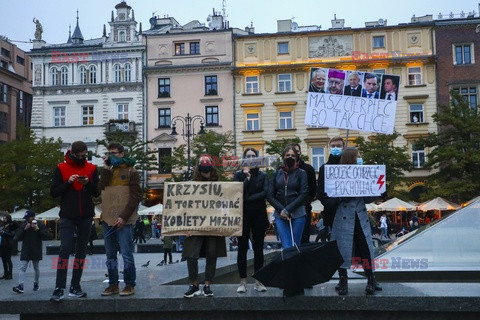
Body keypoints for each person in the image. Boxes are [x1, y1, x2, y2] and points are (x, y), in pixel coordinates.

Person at [50, 141, 100, 302]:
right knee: (65, 249)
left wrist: (87, 184)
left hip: (85, 215)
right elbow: (54, 192)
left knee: (81, 251)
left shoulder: (92, 169)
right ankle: (59, 287)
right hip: (67, 215)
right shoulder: (61, 168)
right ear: (72, 153)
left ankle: (75, 286)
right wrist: (69, 183)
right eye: (79, 155)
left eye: (84, 155)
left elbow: (96, 192)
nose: (82, 158)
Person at [330, 147, 382, 296]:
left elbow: (367, 198)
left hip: (359, 215)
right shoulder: (337, 173)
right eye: (358, 156)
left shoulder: (364, 173)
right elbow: (331, 195)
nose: (360, 158)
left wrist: (378, 191)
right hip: (343, 215)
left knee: (365, 247)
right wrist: (341, 197)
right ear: (351, 158)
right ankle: (343, 280)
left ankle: (371, 278)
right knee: (341, 249)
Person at [99, 142, 142, 297]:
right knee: (110, 254)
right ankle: (113, 284)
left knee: (126, 253)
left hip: (125, 219)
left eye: (114, 153)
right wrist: (105, 171)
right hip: (108, 219)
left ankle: (130, 284)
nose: (111, 155)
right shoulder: (108, 171)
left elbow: (135, 196)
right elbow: (100, 190)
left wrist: (124, 217)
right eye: (109, 152)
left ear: (122, 154)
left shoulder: (132, 171)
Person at [182, 157, 227, 298]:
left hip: (213, 223)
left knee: (211, 253)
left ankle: (207, 284)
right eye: (203, 170)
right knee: (191, 253)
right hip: (195, 223)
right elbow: (186, 206)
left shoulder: (218, 184)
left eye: (207, 170)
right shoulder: (193, 185)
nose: (205, 173)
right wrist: (185, 226)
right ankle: (194, 284)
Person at [267, 145, 308, 297]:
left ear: (296, 157)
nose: (290, 157)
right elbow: (270, 194)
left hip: (297, 214)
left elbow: (304, 194)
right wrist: (282, 210)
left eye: (292, 155)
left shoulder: (301, 173)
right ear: (283, 156)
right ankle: (289, 282)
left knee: (295, 249)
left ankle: (297, 282)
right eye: (287, 155)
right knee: (287, 248)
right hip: (280, 215)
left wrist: (289, 209)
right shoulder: (276, 173)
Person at [233, 148, 269, 293]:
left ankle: (259, 281)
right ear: (244, 159)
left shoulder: (263, 175)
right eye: (248, 156)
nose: (251, 158)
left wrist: (248, 198)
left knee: (258, 248)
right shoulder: (238, 175)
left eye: (253, 156)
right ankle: (242, 281)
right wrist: (246, 178)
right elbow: (237, 192)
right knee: (242, 249)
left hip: (259, 214)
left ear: (257, 159)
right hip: (243, 215)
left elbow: (264, 193)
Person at [12, 211, 48, 294]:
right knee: (23, 267)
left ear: (32, 217)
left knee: (36, 268)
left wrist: (37, 229)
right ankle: (20, 286)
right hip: (26, 249)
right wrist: (25, 229)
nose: (26, 220)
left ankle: (36, 283)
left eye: (27, 218)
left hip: (36, 249)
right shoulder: (24, 225)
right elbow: (17, 237)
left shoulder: (40, 224)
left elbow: (47, 235)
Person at [317, 137, 345, 239]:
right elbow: (320, 192)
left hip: (348, 212)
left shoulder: (349, 167)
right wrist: (330, 203)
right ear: (329, 148)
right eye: (333, 146)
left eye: (338, 146)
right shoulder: (324, 168)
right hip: (331, 213)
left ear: (343, 148)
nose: (336, 148)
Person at [291, 143, 317, 244]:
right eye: (292, 152)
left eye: (297, 151)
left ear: (300, 152)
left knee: (303, 240)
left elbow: (312, 190)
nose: (295, 154)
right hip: (287, 210)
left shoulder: (308, 169)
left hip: (304, 209)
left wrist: (304, 202)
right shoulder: (281, 170)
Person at [0, 214, 18, 280]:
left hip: (8, 245)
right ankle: (5, 273)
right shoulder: (3, 225)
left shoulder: (11, 225)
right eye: (3, 218)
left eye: (5, 218)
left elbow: (12, 235)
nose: (4, 220)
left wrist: (3, 233)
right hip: (2, 244)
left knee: (8, 260)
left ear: (8, 218)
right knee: (3, 260)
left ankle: (10, 274)